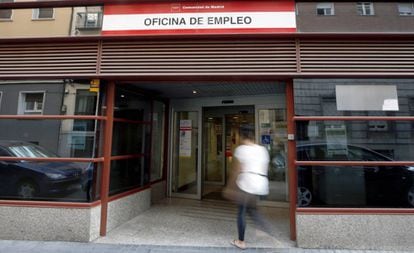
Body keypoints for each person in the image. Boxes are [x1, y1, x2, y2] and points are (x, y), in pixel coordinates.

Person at [230, 131, 271, 250]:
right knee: (252, 209)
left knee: (241, 211)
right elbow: (266, 168)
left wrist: (231, 186)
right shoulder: (262, 150)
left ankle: (241, 241)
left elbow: (237, 169)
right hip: (261, 183)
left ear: (243, 138)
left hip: (247, 183)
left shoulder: (241, 149)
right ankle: (264, 228)